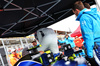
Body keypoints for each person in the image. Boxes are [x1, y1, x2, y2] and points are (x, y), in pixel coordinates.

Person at [72, 1, 100, 65]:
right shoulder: (96, 13)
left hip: (97, 47)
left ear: (76, 10)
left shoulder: (84, 17)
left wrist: (90, 54)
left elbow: (88, 36)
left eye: (74, 12)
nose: (74, 14)